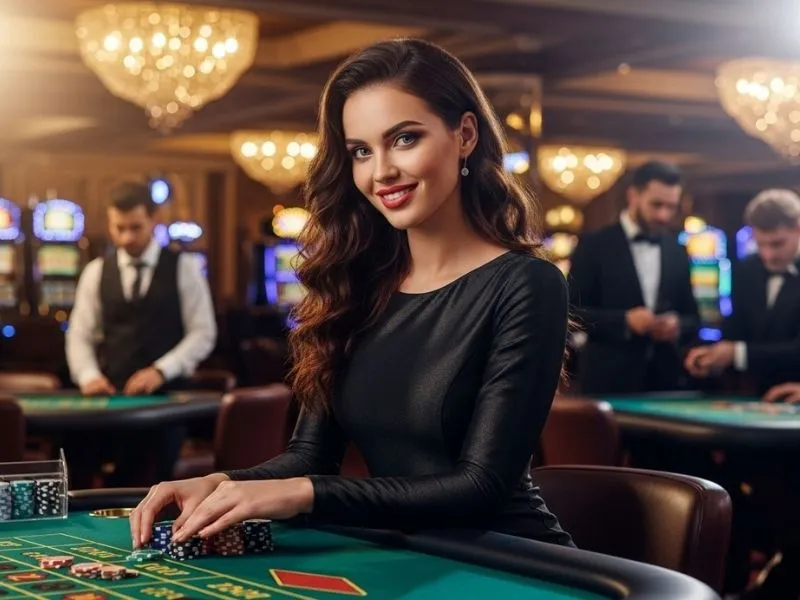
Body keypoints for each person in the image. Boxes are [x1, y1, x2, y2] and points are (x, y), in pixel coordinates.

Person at [129, 38, 573, 549]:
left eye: (404, 139)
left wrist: (305, 494)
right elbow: (309, 458)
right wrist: (224, 482)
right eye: (361, 151)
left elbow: (481, 487)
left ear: (465, 134)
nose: (380, 171)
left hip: (513, 559)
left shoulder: (528, 284)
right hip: (406, 551)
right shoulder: (357, 285)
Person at [65, 180, 217, 483]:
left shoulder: (183, 267)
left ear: (154, 220)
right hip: (110, 399)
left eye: (135, 227)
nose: (126, 237)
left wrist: (161, 370)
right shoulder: (96, 271)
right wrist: (88, 376)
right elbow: (79, 334)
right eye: (118, 228)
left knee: (145, 478)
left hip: (167, 402)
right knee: (75, 462)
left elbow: (203, 333)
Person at [568, 161, 699, 394]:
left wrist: (676, 325)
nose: (663, 215)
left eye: (671, 207)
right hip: (607, 382)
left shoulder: (676, 250)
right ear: (633, 196)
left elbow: (693, 317)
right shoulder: (593, 245)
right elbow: (572, 313)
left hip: (664, 382)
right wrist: (625, 321)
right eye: (656, 205)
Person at [685, 189, 800, 394]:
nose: (768, 255)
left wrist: (737, 353)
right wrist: (712, 355)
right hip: (756, 397)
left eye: (777, 244)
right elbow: (736, 329)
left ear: (798, 229)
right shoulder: (747, 269)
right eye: (760, 244)